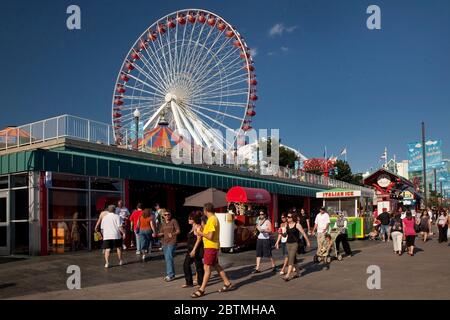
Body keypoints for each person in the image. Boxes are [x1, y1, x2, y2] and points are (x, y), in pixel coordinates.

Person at [191, 203, 232, 298]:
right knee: (216, 266)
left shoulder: (212, 219)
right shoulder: (211, 219)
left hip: (211, 247)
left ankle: (201, 289)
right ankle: (227, 282)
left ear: (205, 210)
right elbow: (209, 233)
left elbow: (210, 236)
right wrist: (203, 229)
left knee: (207, 268)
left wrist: (201, 233)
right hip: (211, 247)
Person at [283, 212, 310, 281]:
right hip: (288, 243)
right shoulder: (287, 225)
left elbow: (303, 233)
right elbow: (285, 235)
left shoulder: (297, 225)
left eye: (289, 217)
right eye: (287, 217)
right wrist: (282, 233)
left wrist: (307, 241)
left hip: (295, 244)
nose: (287, 218)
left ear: (293, 218)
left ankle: (287, 275)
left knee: (291, 259)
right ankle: (298, 273)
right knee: (294, 259)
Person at [157, 209, 180, 281]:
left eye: (168, 214)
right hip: (164, 242)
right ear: (163, 216)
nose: (167, 216)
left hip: (172, 242)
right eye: (165, 215)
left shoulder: (174, 221)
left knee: (169, 257)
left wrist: (173, 234)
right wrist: (157, 234)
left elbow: (178, 231)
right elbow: (161, 233)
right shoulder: (163, 223)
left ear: (171, 215)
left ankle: (170, 275)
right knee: (167, 259)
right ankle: (171, 274)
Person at [183, 211, 204, 288]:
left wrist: (194, 250)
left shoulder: (198, 227)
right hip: (189, 250)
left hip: (196, 250)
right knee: (186, 265)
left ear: (194, 219)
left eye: (190, 218)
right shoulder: (192, 227)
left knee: (198, 266)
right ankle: (189, 282)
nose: (188, 220)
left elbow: (199, 239)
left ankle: (200, 283)